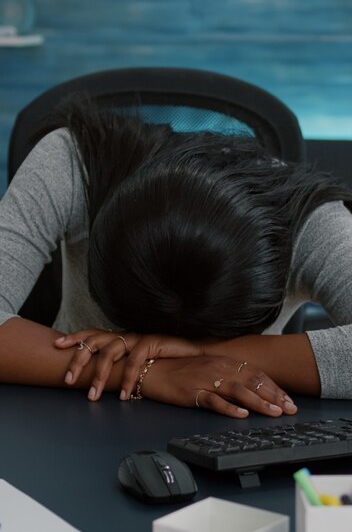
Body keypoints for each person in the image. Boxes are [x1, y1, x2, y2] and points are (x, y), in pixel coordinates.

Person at [0, 95, 351, 419]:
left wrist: (199, 354)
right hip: (76, 410)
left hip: (236, 422)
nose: (157, 347)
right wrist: (147, 372)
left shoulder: (309, 220)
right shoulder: (75, 165)